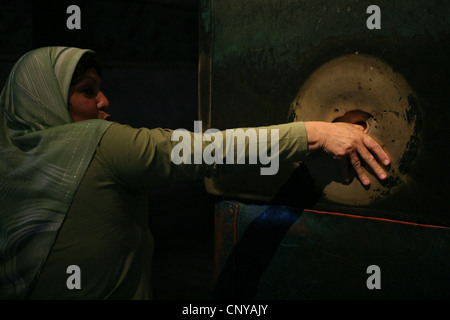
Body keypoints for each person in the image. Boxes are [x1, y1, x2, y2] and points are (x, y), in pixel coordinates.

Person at [0, 47, 390, 300]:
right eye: (87, 91)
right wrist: (319, 132)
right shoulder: (97, 143)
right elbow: (206, 150)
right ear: (46, 101)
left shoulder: (11, 157)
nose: (104, 101)